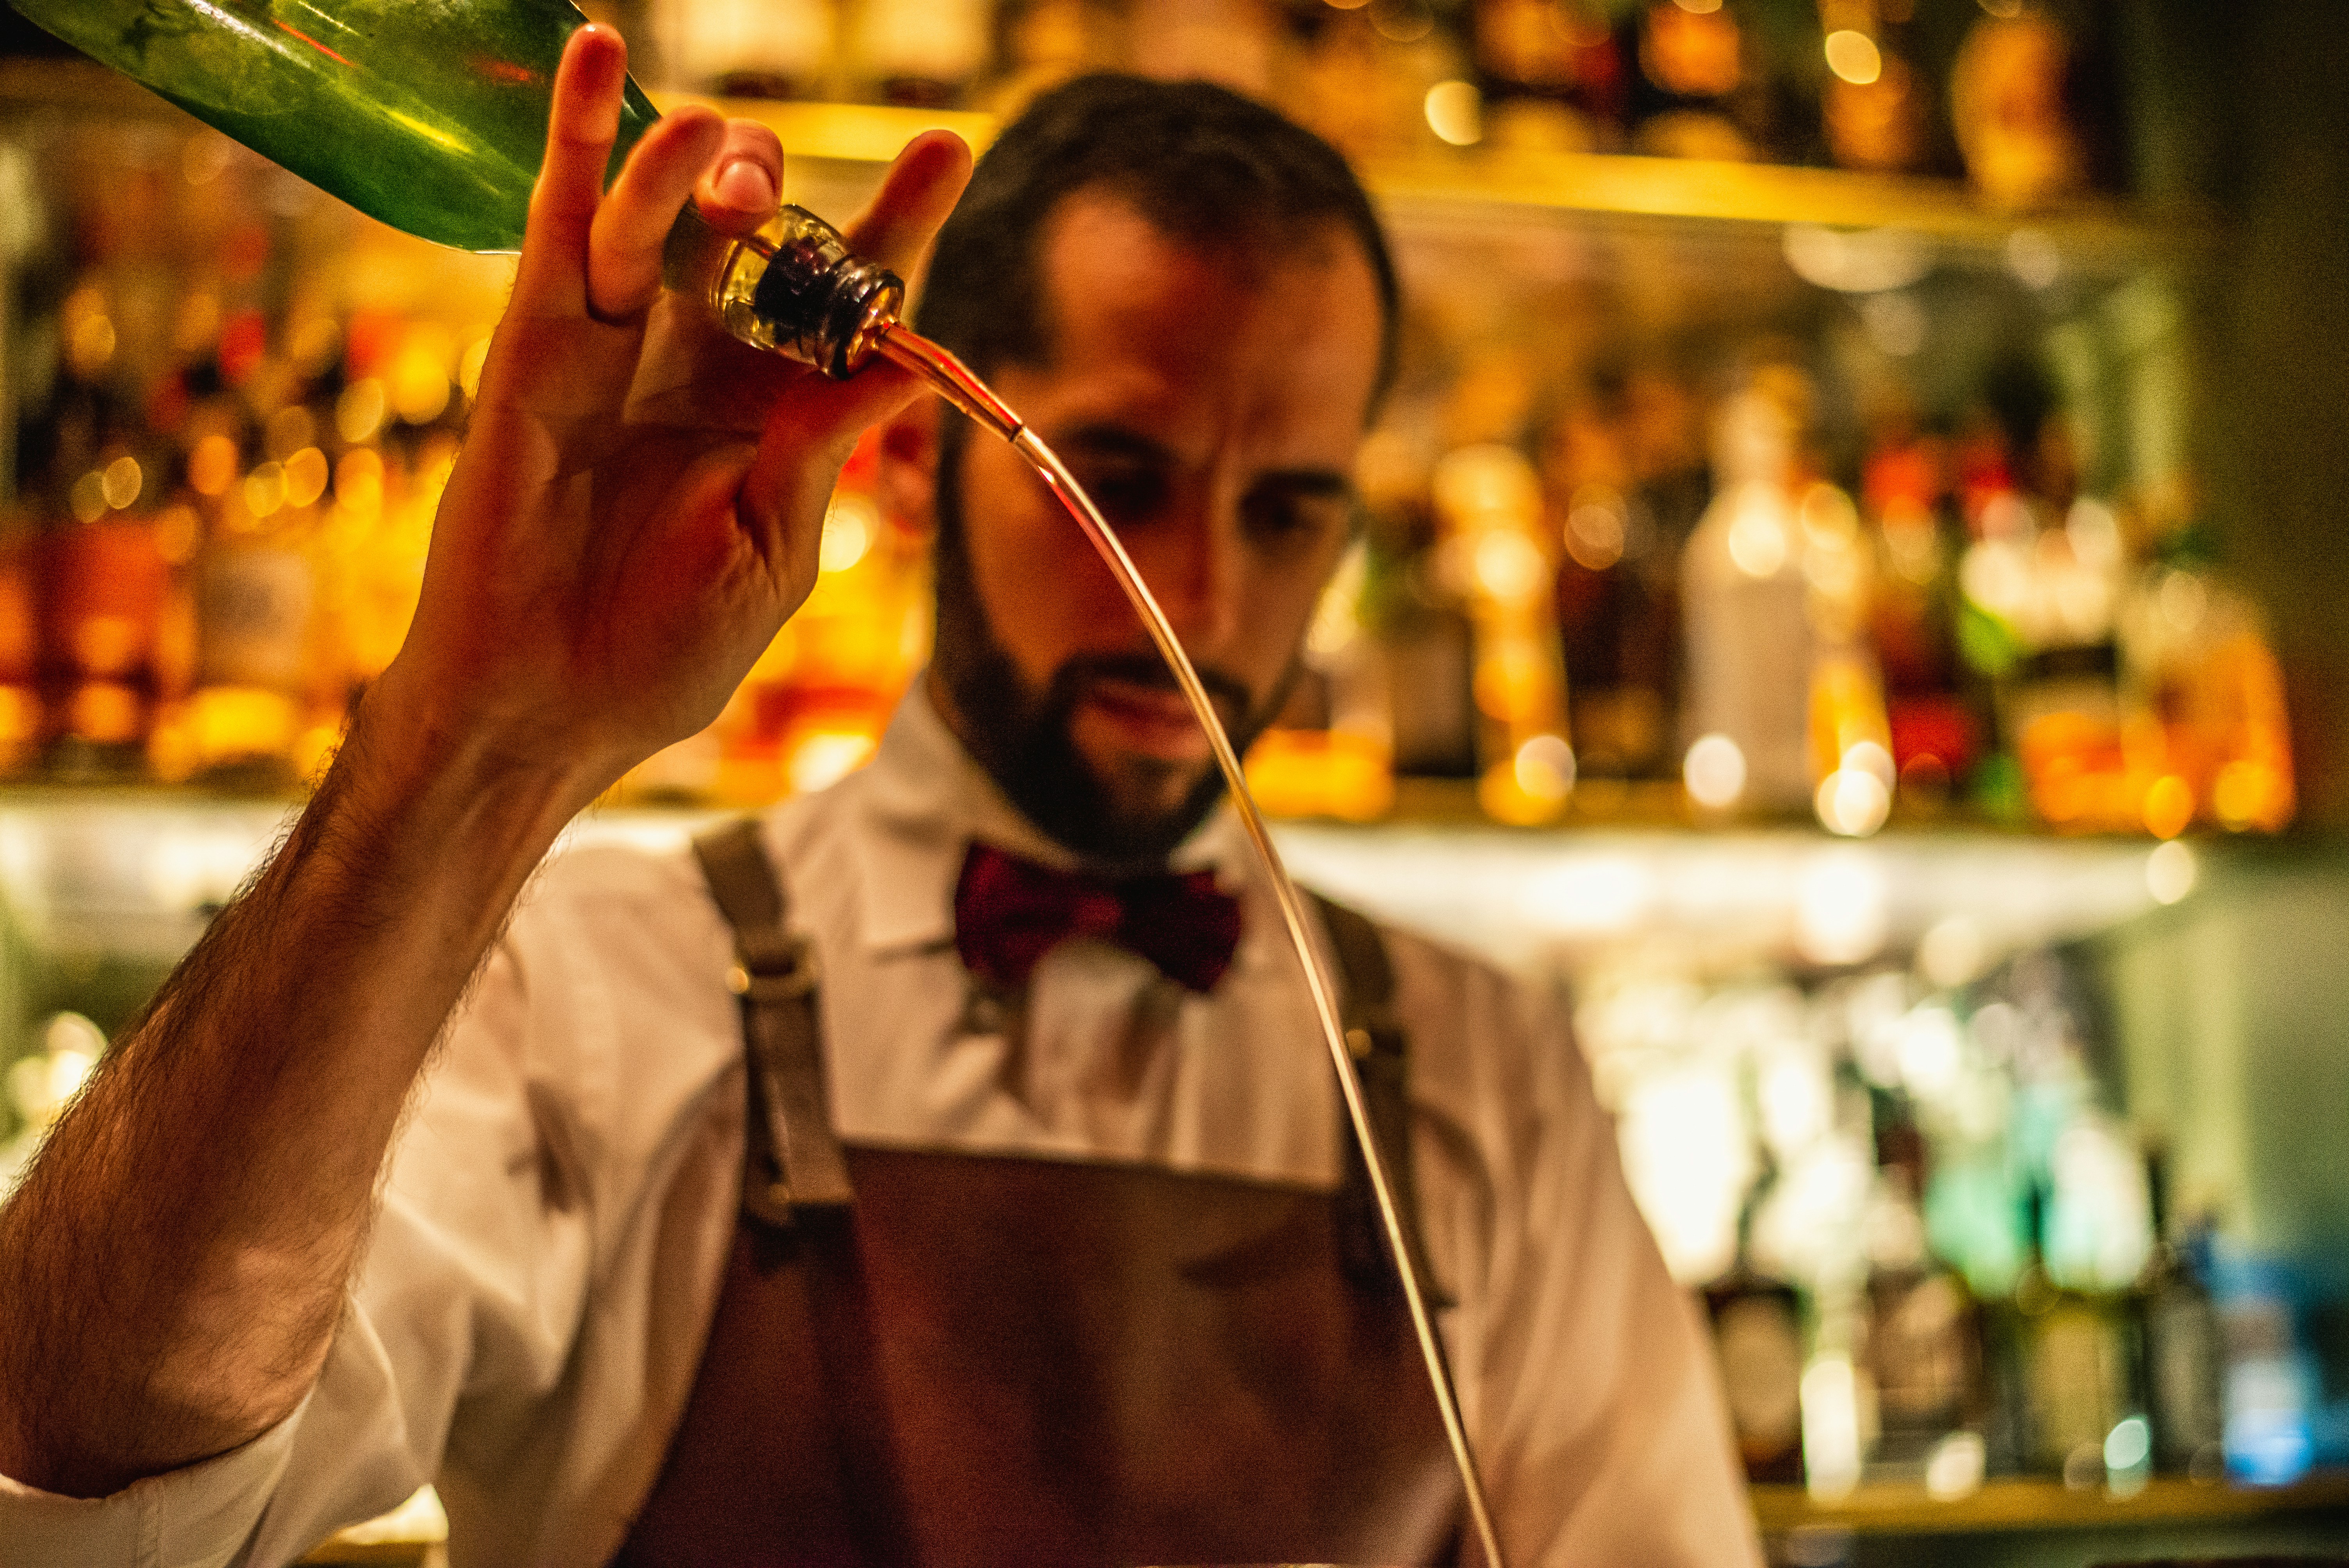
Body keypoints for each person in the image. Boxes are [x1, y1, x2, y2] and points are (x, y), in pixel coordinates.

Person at [0, 25, 1757, 1568]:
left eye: (1286, 507)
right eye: (1122, 476)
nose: (1202, 594)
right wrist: (467, 744)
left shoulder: (1488, 1081)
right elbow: (94, 1491)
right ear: (912, 463)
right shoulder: (601, 987)